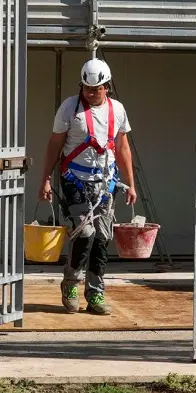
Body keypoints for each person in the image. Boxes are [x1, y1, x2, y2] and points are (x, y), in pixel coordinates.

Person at [39, 58, 137, 316]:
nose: (90, 93)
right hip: (75, 180)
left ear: (107, 87)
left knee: (102, 238)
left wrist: (131, 184)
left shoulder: (117, 110)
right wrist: (46, 178)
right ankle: (71, 284)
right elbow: (54, 144)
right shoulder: (70, 109)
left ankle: (95, 292)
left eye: (95, 89)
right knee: (84, 232)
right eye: (86, 88)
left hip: (105, 184)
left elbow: (123, 148)